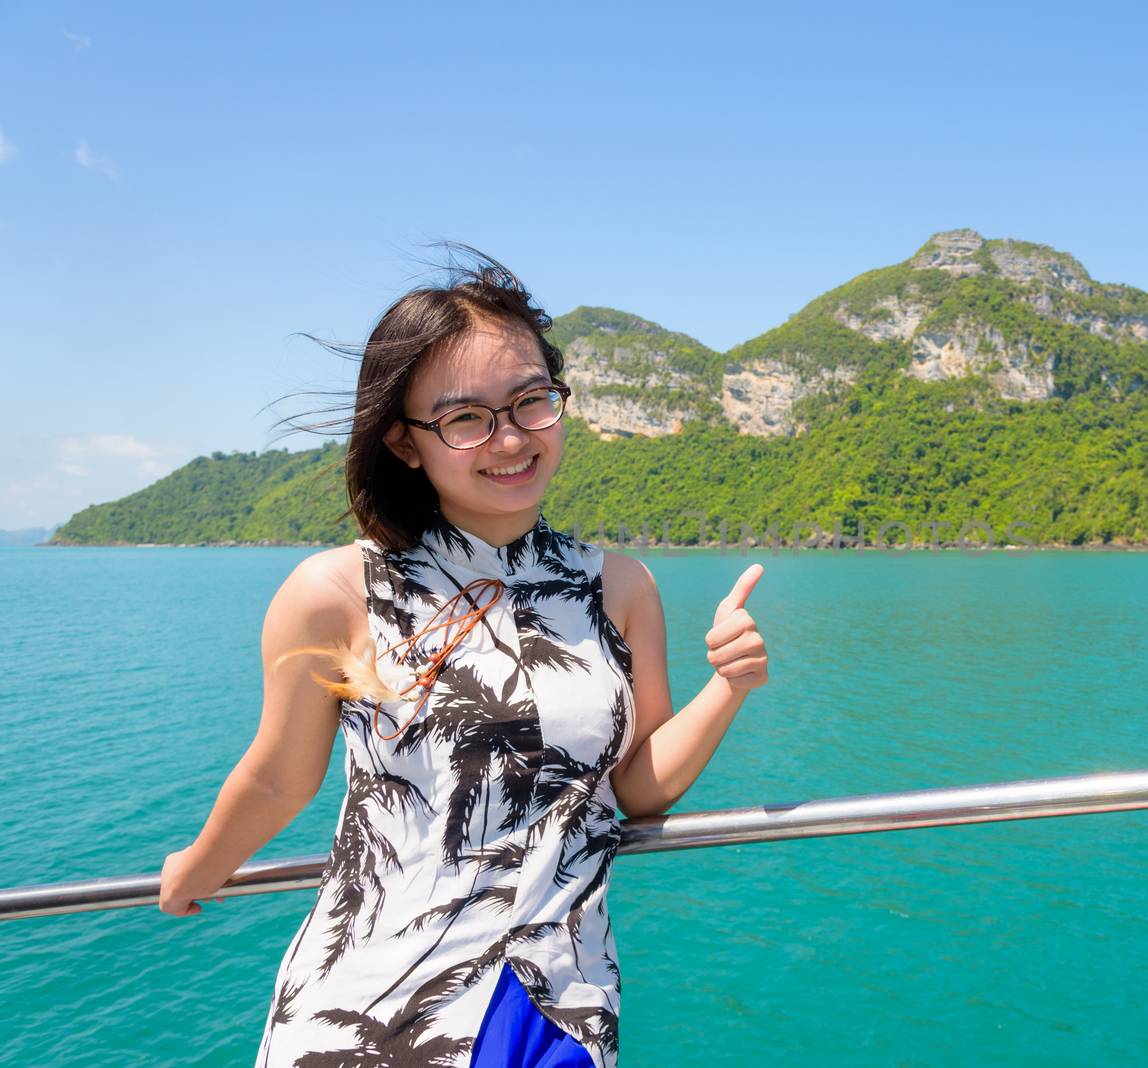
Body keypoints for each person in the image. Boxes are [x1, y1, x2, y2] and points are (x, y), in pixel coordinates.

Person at [157, 246, 769, 1068]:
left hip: (558, 1001)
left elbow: (638, 785)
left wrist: (727, 687)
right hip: (369, 1009)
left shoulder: (619, 588)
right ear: (407, 443)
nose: (510, 438)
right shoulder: (338, 591)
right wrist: (199, 866)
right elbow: (279, 776)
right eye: (465, 418)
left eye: (531, 401)